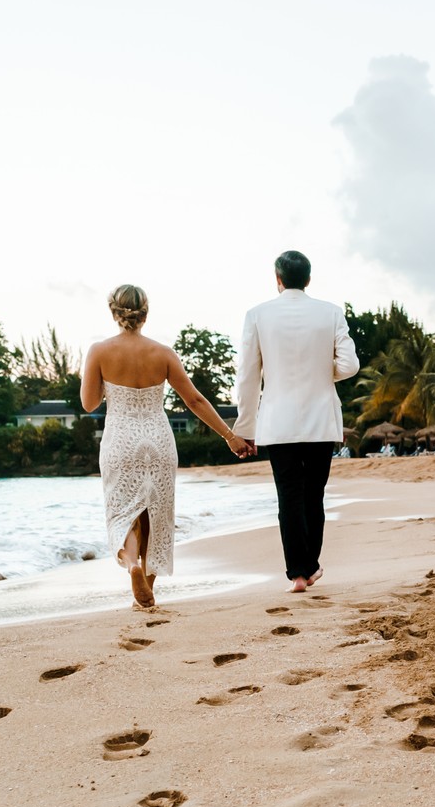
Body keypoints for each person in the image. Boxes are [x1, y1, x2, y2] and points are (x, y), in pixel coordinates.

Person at [81, 284, 251, 607]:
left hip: (120, 441)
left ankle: (131, 565)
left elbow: (89, 403)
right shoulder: (163, 353)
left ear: (114, 313)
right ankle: (147, 581)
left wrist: (106, 382)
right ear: (146, 313)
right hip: (158, 440)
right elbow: (194, 400)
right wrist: (229, 436)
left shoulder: (99, 351)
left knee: (123, 513)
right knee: (156, 514)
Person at [233, 251, 359, 593]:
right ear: (308, 279)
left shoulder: (257, 315)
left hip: (277, 422)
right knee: (313, 494)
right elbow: (349, 366)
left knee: (288, 496)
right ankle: (311, 565)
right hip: (320, 420)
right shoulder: (331, 312)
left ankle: (298, 575)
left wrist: (244, 429)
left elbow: (248, 375)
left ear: (277, 279)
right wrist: (323, 372)